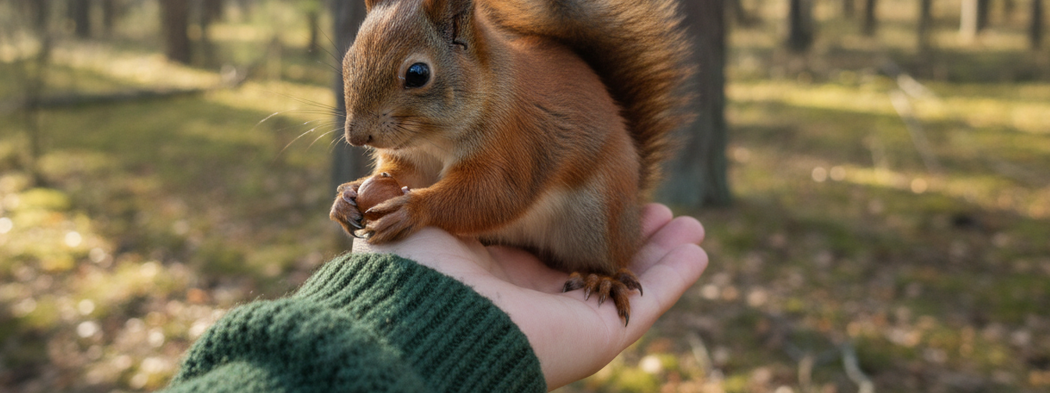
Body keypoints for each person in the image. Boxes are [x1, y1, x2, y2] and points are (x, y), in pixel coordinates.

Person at [164, 204, 706, 392]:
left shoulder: (494, 122)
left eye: (415, 78)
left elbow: (499, 187)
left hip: (572, 212)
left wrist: (423, 210)